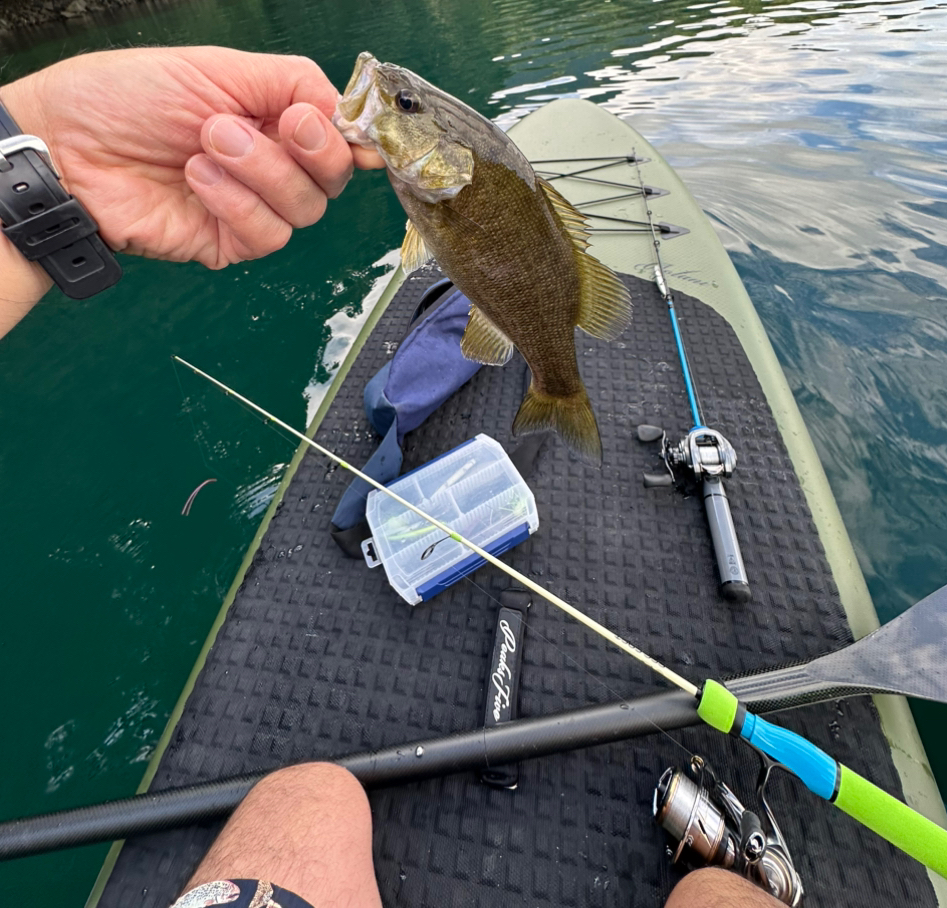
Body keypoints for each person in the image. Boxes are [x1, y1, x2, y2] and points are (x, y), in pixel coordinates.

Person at [0, 46, 777, 908]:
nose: (385, 93)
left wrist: (44, 149)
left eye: (405, 105)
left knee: (309, 794)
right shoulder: (438, 186)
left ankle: (557, 389)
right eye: (404, 102)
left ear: (446, 158)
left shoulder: (455, 189)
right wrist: (46, 151)